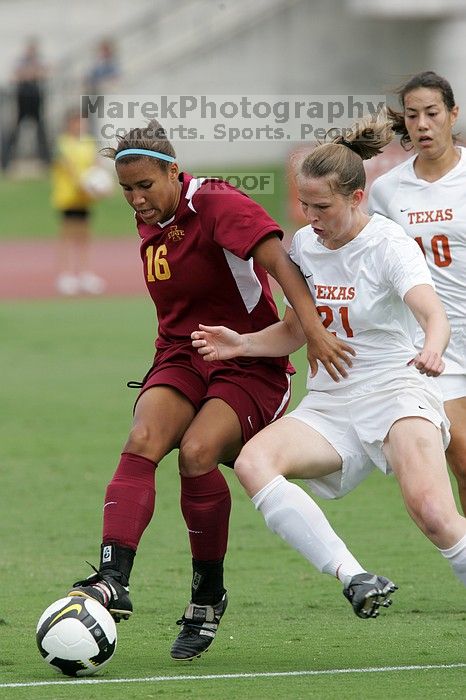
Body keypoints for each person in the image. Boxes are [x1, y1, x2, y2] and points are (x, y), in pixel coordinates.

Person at [65, 119, 355, 661]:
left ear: (174, 172)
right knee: (142, 438)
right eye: (126, 189)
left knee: (196, 453)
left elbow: (281, 263)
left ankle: (206, 596)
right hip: (181, 355)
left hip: (248, 362)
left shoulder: (218, 202)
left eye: (145, 186)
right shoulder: (149, 215)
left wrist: (312, 334)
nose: (135, 199)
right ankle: (112, 579)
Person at [191, 111, 466, 617]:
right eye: (304, 205)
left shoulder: (388, 244)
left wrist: (431, 345)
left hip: (397, 392)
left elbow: (433, 311)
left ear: (357, 198)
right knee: (254, 462)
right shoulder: (306, 246)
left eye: (322, 206)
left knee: (433, 514)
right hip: (332, 405)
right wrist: (242, 344)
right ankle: (354, 576)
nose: (311, 217)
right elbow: (300, 328)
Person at [368, 71, 466, 515]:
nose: (422, 124)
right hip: (434, 347)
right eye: (412, 115)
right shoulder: (388, 189)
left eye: (432, 113)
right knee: (463, 459)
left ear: (452, 114)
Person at [51, 108, 107, 295]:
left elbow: (96, 165)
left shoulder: (89, 143)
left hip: (85, 198)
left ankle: (85, 274)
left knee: (84, 236)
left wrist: (101, 185)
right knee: (68, 235)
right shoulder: (62, 143)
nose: (80, 126)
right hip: (68, 196)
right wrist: (84, 183)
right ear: (69, 123)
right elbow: (68, 167)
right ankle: (66, 275)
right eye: (77, 122)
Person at [1, 38, 50, 171]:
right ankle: (6, 161)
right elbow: (16, 75)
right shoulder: (21, 61)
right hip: (22, 99)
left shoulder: (39, 61)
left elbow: (43, 73)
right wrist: (30, 73)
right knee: (14, 132)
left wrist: (31, 73)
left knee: (41, 132)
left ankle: (47, 161)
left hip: (35, 99)